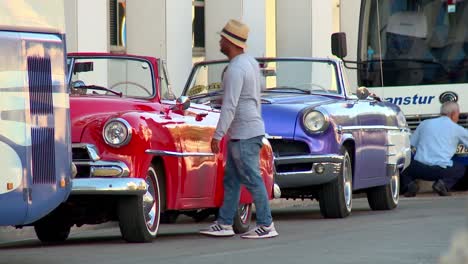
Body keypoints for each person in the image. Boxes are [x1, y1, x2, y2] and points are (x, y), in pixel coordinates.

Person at [199, 19, 278, 239]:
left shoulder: (235, 69)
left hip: (243, 133)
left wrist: (217, 135)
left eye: (222, 39)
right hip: (250, 129)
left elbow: (229, 105)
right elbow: (257, 95)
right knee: (232, 179)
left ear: (230, 42)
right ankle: (224, 222)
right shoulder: (251, 63)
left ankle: (266, 224)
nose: (220, 42)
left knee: (252, 178)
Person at [401, 101, 468, 197]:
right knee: (460, 168)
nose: (458, 117)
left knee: (404, 165)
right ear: (453, 114)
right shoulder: (457, 128)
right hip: (439, 171)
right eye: (458, 114)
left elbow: (411, 144)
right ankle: (442, 185)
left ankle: (410, 185)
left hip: (418, 169)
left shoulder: (424, 123)